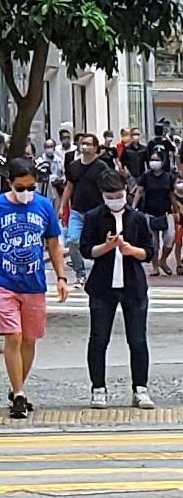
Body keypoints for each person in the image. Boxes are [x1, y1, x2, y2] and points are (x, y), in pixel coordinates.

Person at [0, 158, 68, 419]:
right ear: (10, 183)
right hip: (3, 281)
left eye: (30, 187)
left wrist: (61, 277)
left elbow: (54, 244)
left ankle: (16, 385)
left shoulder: (43, 206)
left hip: (34, 283)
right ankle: (19, 393)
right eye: (20, 187)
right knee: (13, 336)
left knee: (30, 339)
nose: (26, 193)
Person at [80, 170, 155, 410]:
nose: (115, 199)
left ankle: (140, 389)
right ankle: (98, 388)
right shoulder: (94, 217)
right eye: (110, 196)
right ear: (102, 195)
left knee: (138, 339)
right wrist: (107, 246)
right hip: (102, 286)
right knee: (99, 338)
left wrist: (131, 250)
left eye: (119, 195)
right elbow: (85, 249)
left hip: (133, 286)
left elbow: (148, 252)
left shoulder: (138, 218)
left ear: (126, 192)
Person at [59, 134, 109, 287]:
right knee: (73, 241)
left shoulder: (102, 167)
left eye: (88, 144)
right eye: (83, 143)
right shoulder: (73, 166)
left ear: (95, 148)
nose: (85, 146)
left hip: (97, 212)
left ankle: (101, 272)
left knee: (101, 244)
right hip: (77, 211)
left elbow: (108, 187)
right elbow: (69, 186)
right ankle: (80, 273)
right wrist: (62, 206)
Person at [132, 150, 177, 276]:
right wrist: (133, 207)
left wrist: (176, 211)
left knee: (170, 239)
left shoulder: (168, 177)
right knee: (153, 242)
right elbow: (139, 192)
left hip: (166, 212)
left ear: (162, 162)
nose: (154, 162)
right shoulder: (145, 176)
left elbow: (172, 195)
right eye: (152, 159)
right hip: (149, 213)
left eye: (157, 160)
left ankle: (163, 260)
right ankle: (155, 267)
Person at [36, 139, 64, 212]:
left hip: (57, 189)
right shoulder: (40, 161)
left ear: (54, 147)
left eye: (51, 146)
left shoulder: (58, 160)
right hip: (45, 190)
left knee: (56, 211)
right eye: (47, 147)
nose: (49, 149)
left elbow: (63, 174)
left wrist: (61, 180)